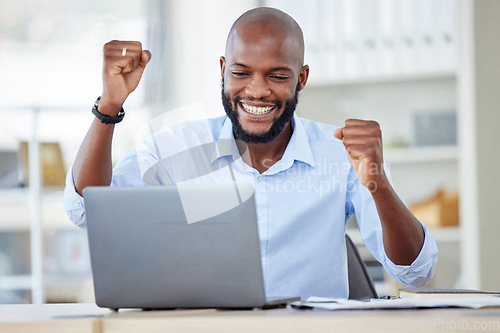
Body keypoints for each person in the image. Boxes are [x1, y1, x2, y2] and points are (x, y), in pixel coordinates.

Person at [64, 7, 437, 299]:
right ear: (223, 70)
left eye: (277, 76)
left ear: (301, 78)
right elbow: (87, 209)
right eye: (242, 72)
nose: (257, 91)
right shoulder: (178, 145)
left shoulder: (339, 155)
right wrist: (109, 106)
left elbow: (415, 271)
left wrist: (378, 182)